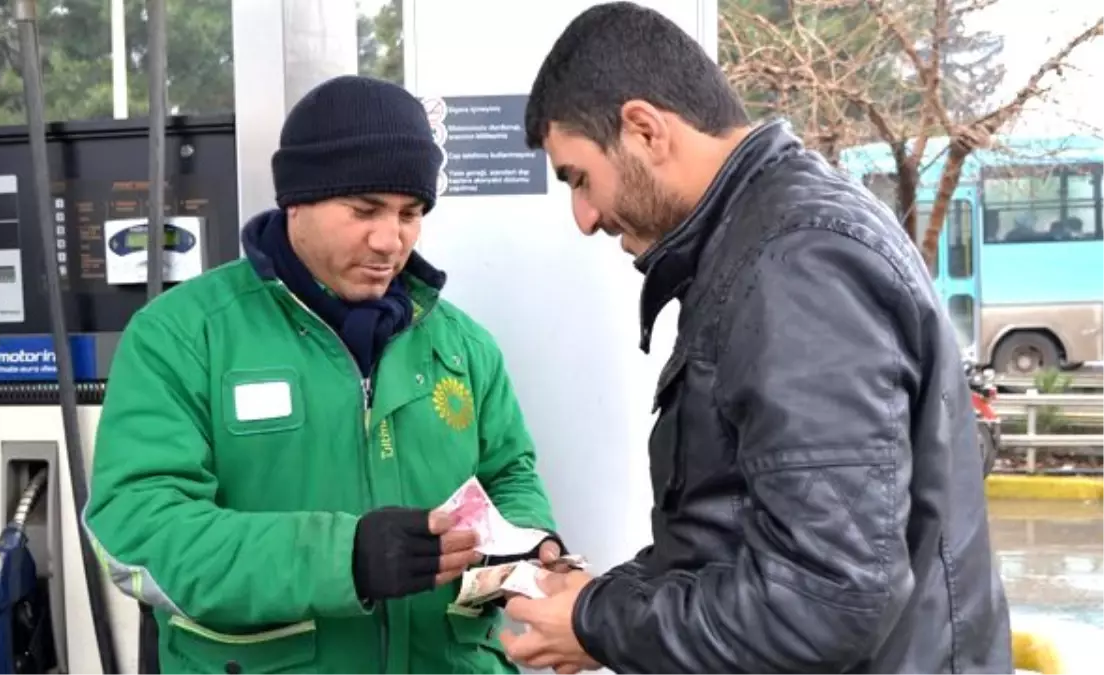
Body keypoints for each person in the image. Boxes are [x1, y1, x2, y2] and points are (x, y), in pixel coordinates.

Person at [498, 3, 1012, 674]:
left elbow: (823, 600)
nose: (584, 217)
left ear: (644, 129)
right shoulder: (765, 238)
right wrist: (600, 601)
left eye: (579, 178)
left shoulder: (795, 262)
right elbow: (737, 528)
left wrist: (600, 621)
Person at [83, 74, 565, 675]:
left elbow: (508, 474)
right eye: (364, 210)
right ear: (297, 201)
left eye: (410, 213)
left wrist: (528, 546)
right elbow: (138, 533)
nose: (391, 240)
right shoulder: (182, 336)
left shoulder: (463, 346)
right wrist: (345, 558)